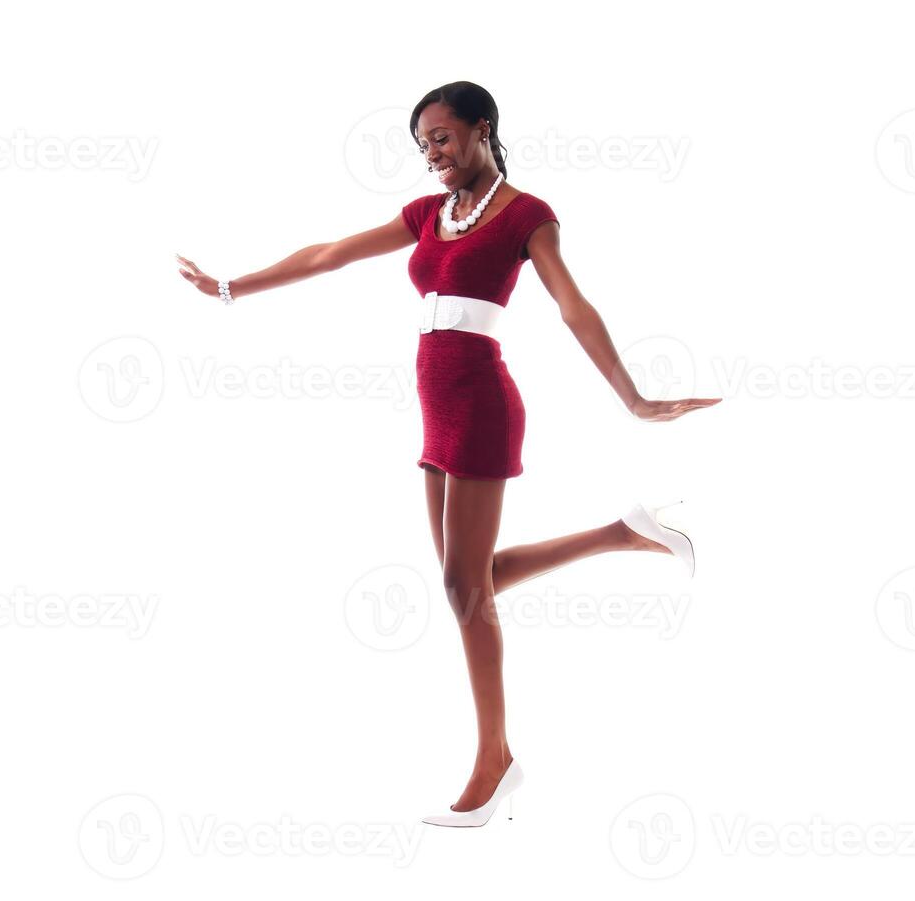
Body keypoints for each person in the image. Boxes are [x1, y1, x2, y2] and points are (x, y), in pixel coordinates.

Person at [176, 81, 721, 827]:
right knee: (466, 583)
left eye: (440, 137)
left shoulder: (526, 215)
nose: (431, 154)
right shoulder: (430, 214)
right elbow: (331, 253)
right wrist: (232, 287)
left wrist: (630, 396)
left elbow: (571, 305)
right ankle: (625, 534)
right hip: (435, 405)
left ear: (480, 129)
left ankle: (494, 761)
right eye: (421, 144)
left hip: (483, 404)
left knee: (467, 591)